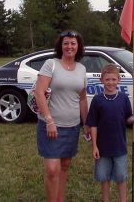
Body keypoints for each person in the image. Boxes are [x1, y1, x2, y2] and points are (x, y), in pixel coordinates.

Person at [34, 30, 90, 202]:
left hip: (72, 127)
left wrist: (86, 123)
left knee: (64, 166)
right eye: (66, 43)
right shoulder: (51, 64)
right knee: (52, 170)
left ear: (78, 46)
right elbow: (39, 92)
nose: (69, 46)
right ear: (60, 46)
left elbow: (82, 99)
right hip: (51, 126)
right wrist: (49, 121)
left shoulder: (82, 69)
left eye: (73, 43)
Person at [86, 64, 134, 202]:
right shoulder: (97, 99)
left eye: (113, 79)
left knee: (121, 177)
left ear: (119, 80)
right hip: (102, 148)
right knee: (104, 177)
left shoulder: (124, 98)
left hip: (120, 147)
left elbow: (128, 119)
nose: (110, 82)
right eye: (107, 79)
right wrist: (94, 146)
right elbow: (93, 124)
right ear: (101, 80)